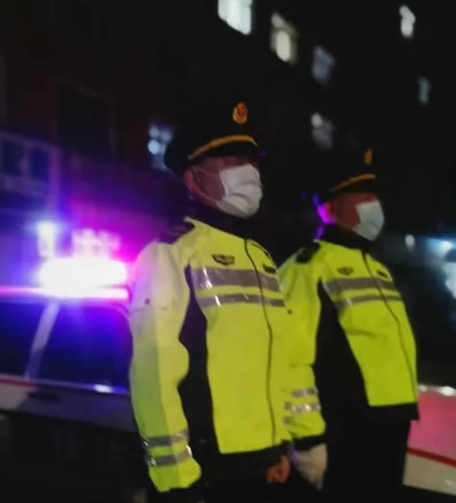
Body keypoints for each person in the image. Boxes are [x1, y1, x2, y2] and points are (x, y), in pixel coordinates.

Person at [129, 100, 326, 503]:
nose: (248, 171)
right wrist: (177, 481)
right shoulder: (170, 254)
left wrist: (277, 447)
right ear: (193, 178)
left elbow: (276, 361)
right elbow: (154, 373)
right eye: (231, 160)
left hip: (261, 467)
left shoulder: (261, 258)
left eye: (250, 160)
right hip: (204, 471)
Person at [279, 141, 419, 502]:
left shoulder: (377, 269)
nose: (373, 202)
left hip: (389, 427)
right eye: (361, 194)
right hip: (343, 433)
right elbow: (290, 360)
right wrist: (307, 439)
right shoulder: (307, 268)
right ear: (329, 207)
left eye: (374, 193)